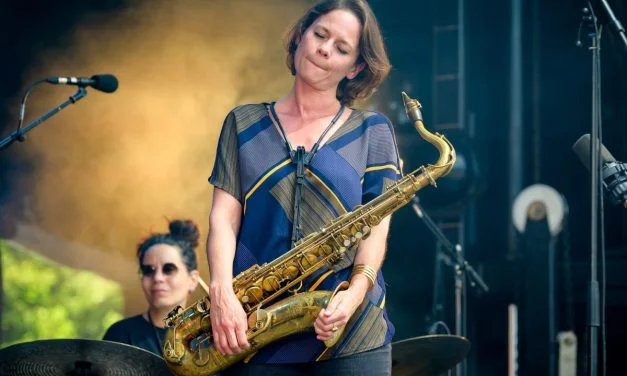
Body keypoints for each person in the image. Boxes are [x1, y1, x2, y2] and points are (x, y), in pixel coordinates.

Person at [208, 0, 400, 374]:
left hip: (351, 332)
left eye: (342, 48)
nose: (325, 49)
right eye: (320, 34)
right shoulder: (242, 123)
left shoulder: (372, 131)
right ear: (300, 35)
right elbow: (222, 220)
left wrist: (354, 296)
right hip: (255, 331)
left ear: (355, 67)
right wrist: (221, 294)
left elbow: (375, 232)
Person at [103, 219, 200, 357]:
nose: (158, 278)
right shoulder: (121, 334)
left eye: (169, 269)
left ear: (193, 280)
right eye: (148, 270)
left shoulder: (212, 338)